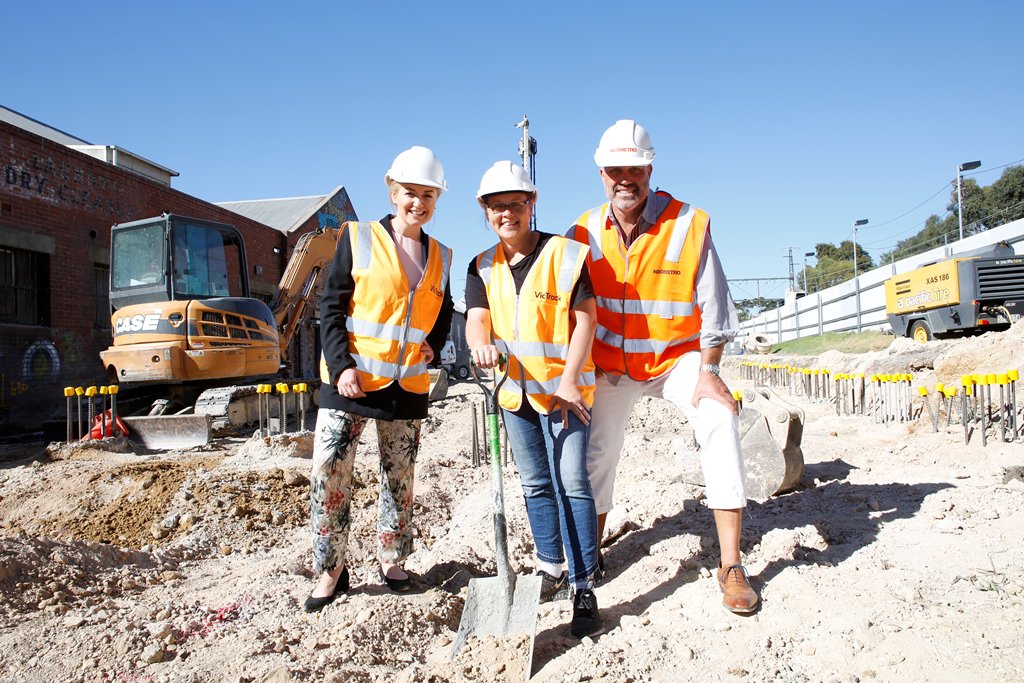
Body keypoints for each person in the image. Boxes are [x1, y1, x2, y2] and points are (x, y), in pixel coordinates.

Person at [567, 120, 758, 614]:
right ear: (601, 173)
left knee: (719, 419)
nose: (624, 178)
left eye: (634, 167)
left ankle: (731, 564)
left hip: (676, 360)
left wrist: (709, 369)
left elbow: (715, 302)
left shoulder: (689, 223)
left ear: (649, 167)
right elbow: (566, 305)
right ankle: (589, 557)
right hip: (610, 366)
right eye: (615, 169)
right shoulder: (582, 231)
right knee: (597, 451)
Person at [304, 146, 454, 612]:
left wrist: (435, 342)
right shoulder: (359, 237)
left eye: (428, 195)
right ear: (393, 192)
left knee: (399, 478)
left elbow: (443, 312)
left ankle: (393, 559)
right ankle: (330, 570)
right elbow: (330, 308)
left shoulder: (442, 256)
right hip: (350, 383)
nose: (419, 203)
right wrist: (342, 364)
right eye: (411, 192)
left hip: (406, 387)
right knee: (329, 473)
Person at [465, 161, 603, 638]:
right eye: (497, 206)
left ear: (531, 205)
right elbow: (477, 318)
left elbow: (586, 321)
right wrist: (478, 341)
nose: (507, 214)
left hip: (565, 393)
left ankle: (584, 584)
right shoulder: (481, 264)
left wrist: (567, 381)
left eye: (515, 204)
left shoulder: (567, 255)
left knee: (572, 481)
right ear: (485, 211)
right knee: (535, 485)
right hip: (513, 393)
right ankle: (550, 566)